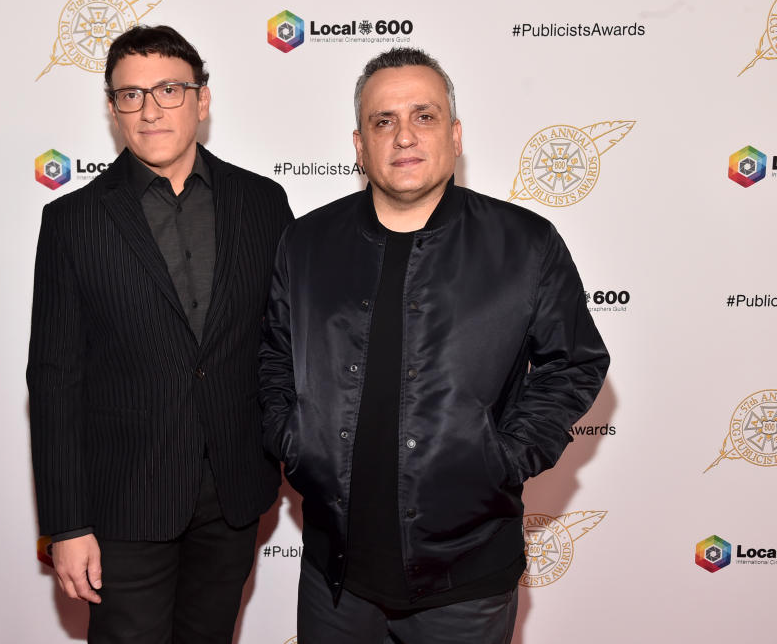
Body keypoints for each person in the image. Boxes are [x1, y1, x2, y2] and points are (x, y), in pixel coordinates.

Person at [259, 47, 609, 643]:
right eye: (383, 120)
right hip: (333, 576)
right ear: (359, 144)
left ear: (455, 133)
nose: (404, 136)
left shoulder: (525, 244)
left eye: (424, 116)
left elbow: (573, 364)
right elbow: (272, 355)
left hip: (466, 576)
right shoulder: (306, 242)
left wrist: (505, 457)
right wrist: (294, 441)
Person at [27, 25, 292, 644]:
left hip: (233, 489)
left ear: (202, 99)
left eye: (169, 89)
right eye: (130, 95)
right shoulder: (73, 221)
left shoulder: (263, 202)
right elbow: (54, 377)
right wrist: (65, 525)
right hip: (123, 498)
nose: (150, 109)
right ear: (113, 108)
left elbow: (285, 342)